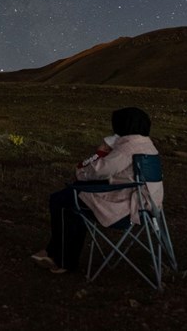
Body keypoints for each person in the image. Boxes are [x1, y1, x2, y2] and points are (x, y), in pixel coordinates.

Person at [31, 106, 163, 273]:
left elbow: (97, 171)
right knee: (73, 197)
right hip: (149, 208)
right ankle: (56, 255)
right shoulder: (148, 146)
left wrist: (100, 152)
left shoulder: (127, 148)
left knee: (62, 200)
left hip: (127, 209)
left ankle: (60, 259)